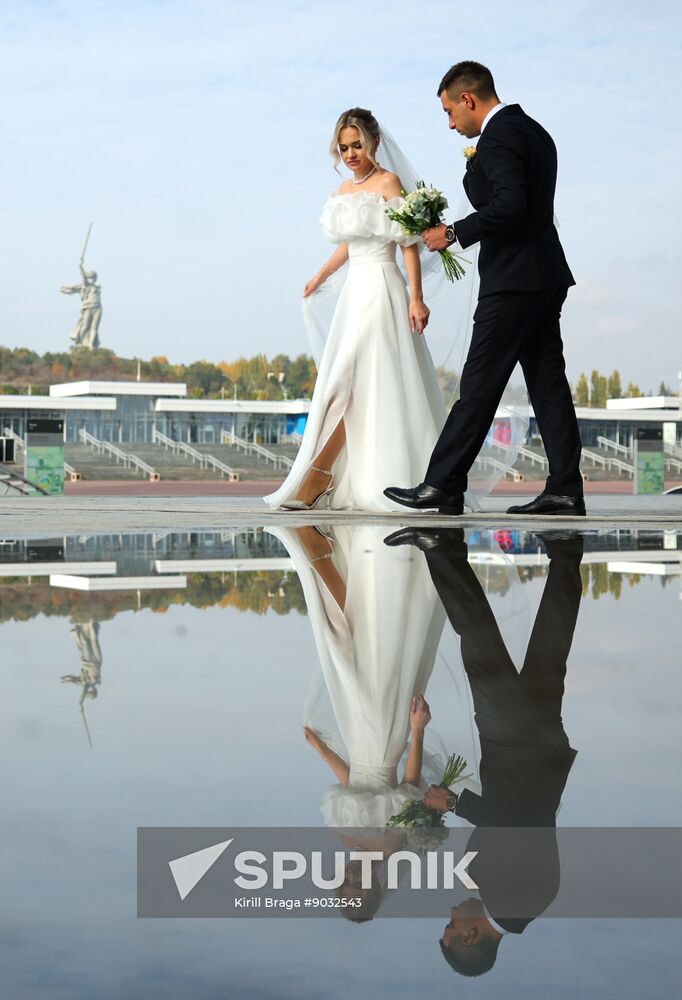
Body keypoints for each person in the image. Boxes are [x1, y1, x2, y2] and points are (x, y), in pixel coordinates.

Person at [384, 61, 585, 517]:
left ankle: (442, 484)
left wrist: (453, 233)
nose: (451, 123)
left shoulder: (500, 137)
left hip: (513, 281)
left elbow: (511, 205)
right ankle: (566, 489)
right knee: (548, 385)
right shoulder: (535, 131)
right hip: (545, 274)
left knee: (478, 384)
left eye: (449, 112)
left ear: (468, 99)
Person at [385, 525, 583, 975]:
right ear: (471, 936)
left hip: (540, 750)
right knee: (479, 643)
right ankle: (441, 547)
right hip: (513, 743)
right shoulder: (510, 900)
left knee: (550, 648)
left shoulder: (527, 906)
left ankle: (567, 550)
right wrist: (453, 804)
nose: (451, 914)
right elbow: (514, 823)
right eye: (451, 925)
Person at [263, 108, 448, 513]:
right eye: (344, 148)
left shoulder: (389, 182)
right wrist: (319, 276)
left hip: (383, 287)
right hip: (355, 291)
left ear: (374, 142)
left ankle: (321, 476)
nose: (350, 154)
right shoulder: (344, 190)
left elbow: (407, 243)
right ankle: (323, 475)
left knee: (361, 379)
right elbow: (350, 244)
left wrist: (416, 297)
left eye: (357, 145)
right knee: (341, 380)